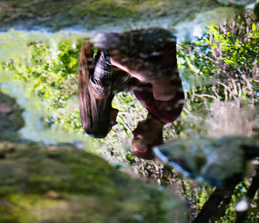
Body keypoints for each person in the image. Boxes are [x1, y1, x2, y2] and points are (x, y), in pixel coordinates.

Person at [78, 28, 184, 159]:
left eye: (111, 124)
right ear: (155, 140)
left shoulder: (101, 90)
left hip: (143, 36)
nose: (134, 131)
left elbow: (109, 59)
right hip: (156, 37)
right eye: (137, 137)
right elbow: (157, 77)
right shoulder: (168, 113)